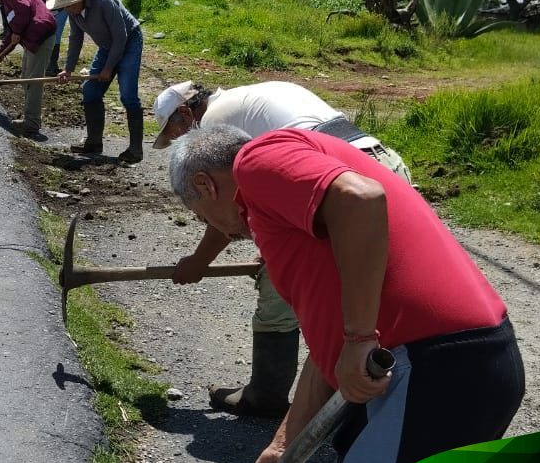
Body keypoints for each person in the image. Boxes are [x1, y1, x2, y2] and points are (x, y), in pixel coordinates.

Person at [168, 125, 524, 463]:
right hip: (467, 363)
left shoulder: (257, 161)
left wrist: (360, 337)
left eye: (202, 218)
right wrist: (284, 445)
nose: (222, 232)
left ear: (205, 184)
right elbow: (329, 351)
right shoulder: (292, 217)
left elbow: (361, 198)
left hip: (435, 368)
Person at [152, 80, 413, 418]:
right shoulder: (246, 99)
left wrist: (199, 261)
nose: (179, 142)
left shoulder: (215, 126)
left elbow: (228, 200)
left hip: (340, 186)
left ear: (185, 114)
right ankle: (376, 391)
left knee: (281, 290)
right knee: (374, 289)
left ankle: (268, 392)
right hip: (380, 164)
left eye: (175, 132)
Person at [46, 0, 145, 163]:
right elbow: (76, 39)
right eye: (64, 6)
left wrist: (108, 68)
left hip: (129, 41)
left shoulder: (104, 3)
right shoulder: (73, 13)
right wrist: (68, 69)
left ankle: (135, 150)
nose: (66, 9)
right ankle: (94, 142)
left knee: (128, 95)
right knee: (90, 90)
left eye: (68, 5)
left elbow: (121, 37)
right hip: (107, 46)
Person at [0, 0, 57, 138]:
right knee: (25, 78)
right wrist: (1, 52)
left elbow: (23, 9)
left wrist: (17, 32)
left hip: (41, 36)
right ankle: (29, 117)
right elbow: (12, 28)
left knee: (33, 81)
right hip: (32, 39)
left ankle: (32, 124)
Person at [7, 0, 70, 76]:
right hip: (46, 11)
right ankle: (43, 62)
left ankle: (52, 66)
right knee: (43, 34)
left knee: (55, 35)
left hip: (59, 8)